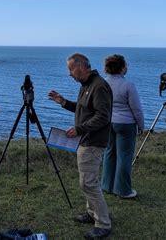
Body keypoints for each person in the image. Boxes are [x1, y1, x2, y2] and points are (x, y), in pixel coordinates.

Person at [48, 54, 112, 239]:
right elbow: (84, 109)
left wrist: (79, 129)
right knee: (87, 181)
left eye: (71, 69)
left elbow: (102, 116)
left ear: (82, 67)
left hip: (93, 141)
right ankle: (92, 213)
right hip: (86, 140)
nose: (69, 74)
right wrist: (64, 102)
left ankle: (103, 224)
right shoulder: (87, 85)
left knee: (88, 183)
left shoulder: (99, 86)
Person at [101, 54, 145, 199]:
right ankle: (123, 190)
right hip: (126, 124)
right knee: (124, 157)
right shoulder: (128, 85)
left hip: (108, 123)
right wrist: (141, 125)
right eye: (125, 64)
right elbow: (136, 109)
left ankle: (107, 185)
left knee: (109, 153)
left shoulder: (103, 83)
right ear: (121, 67)